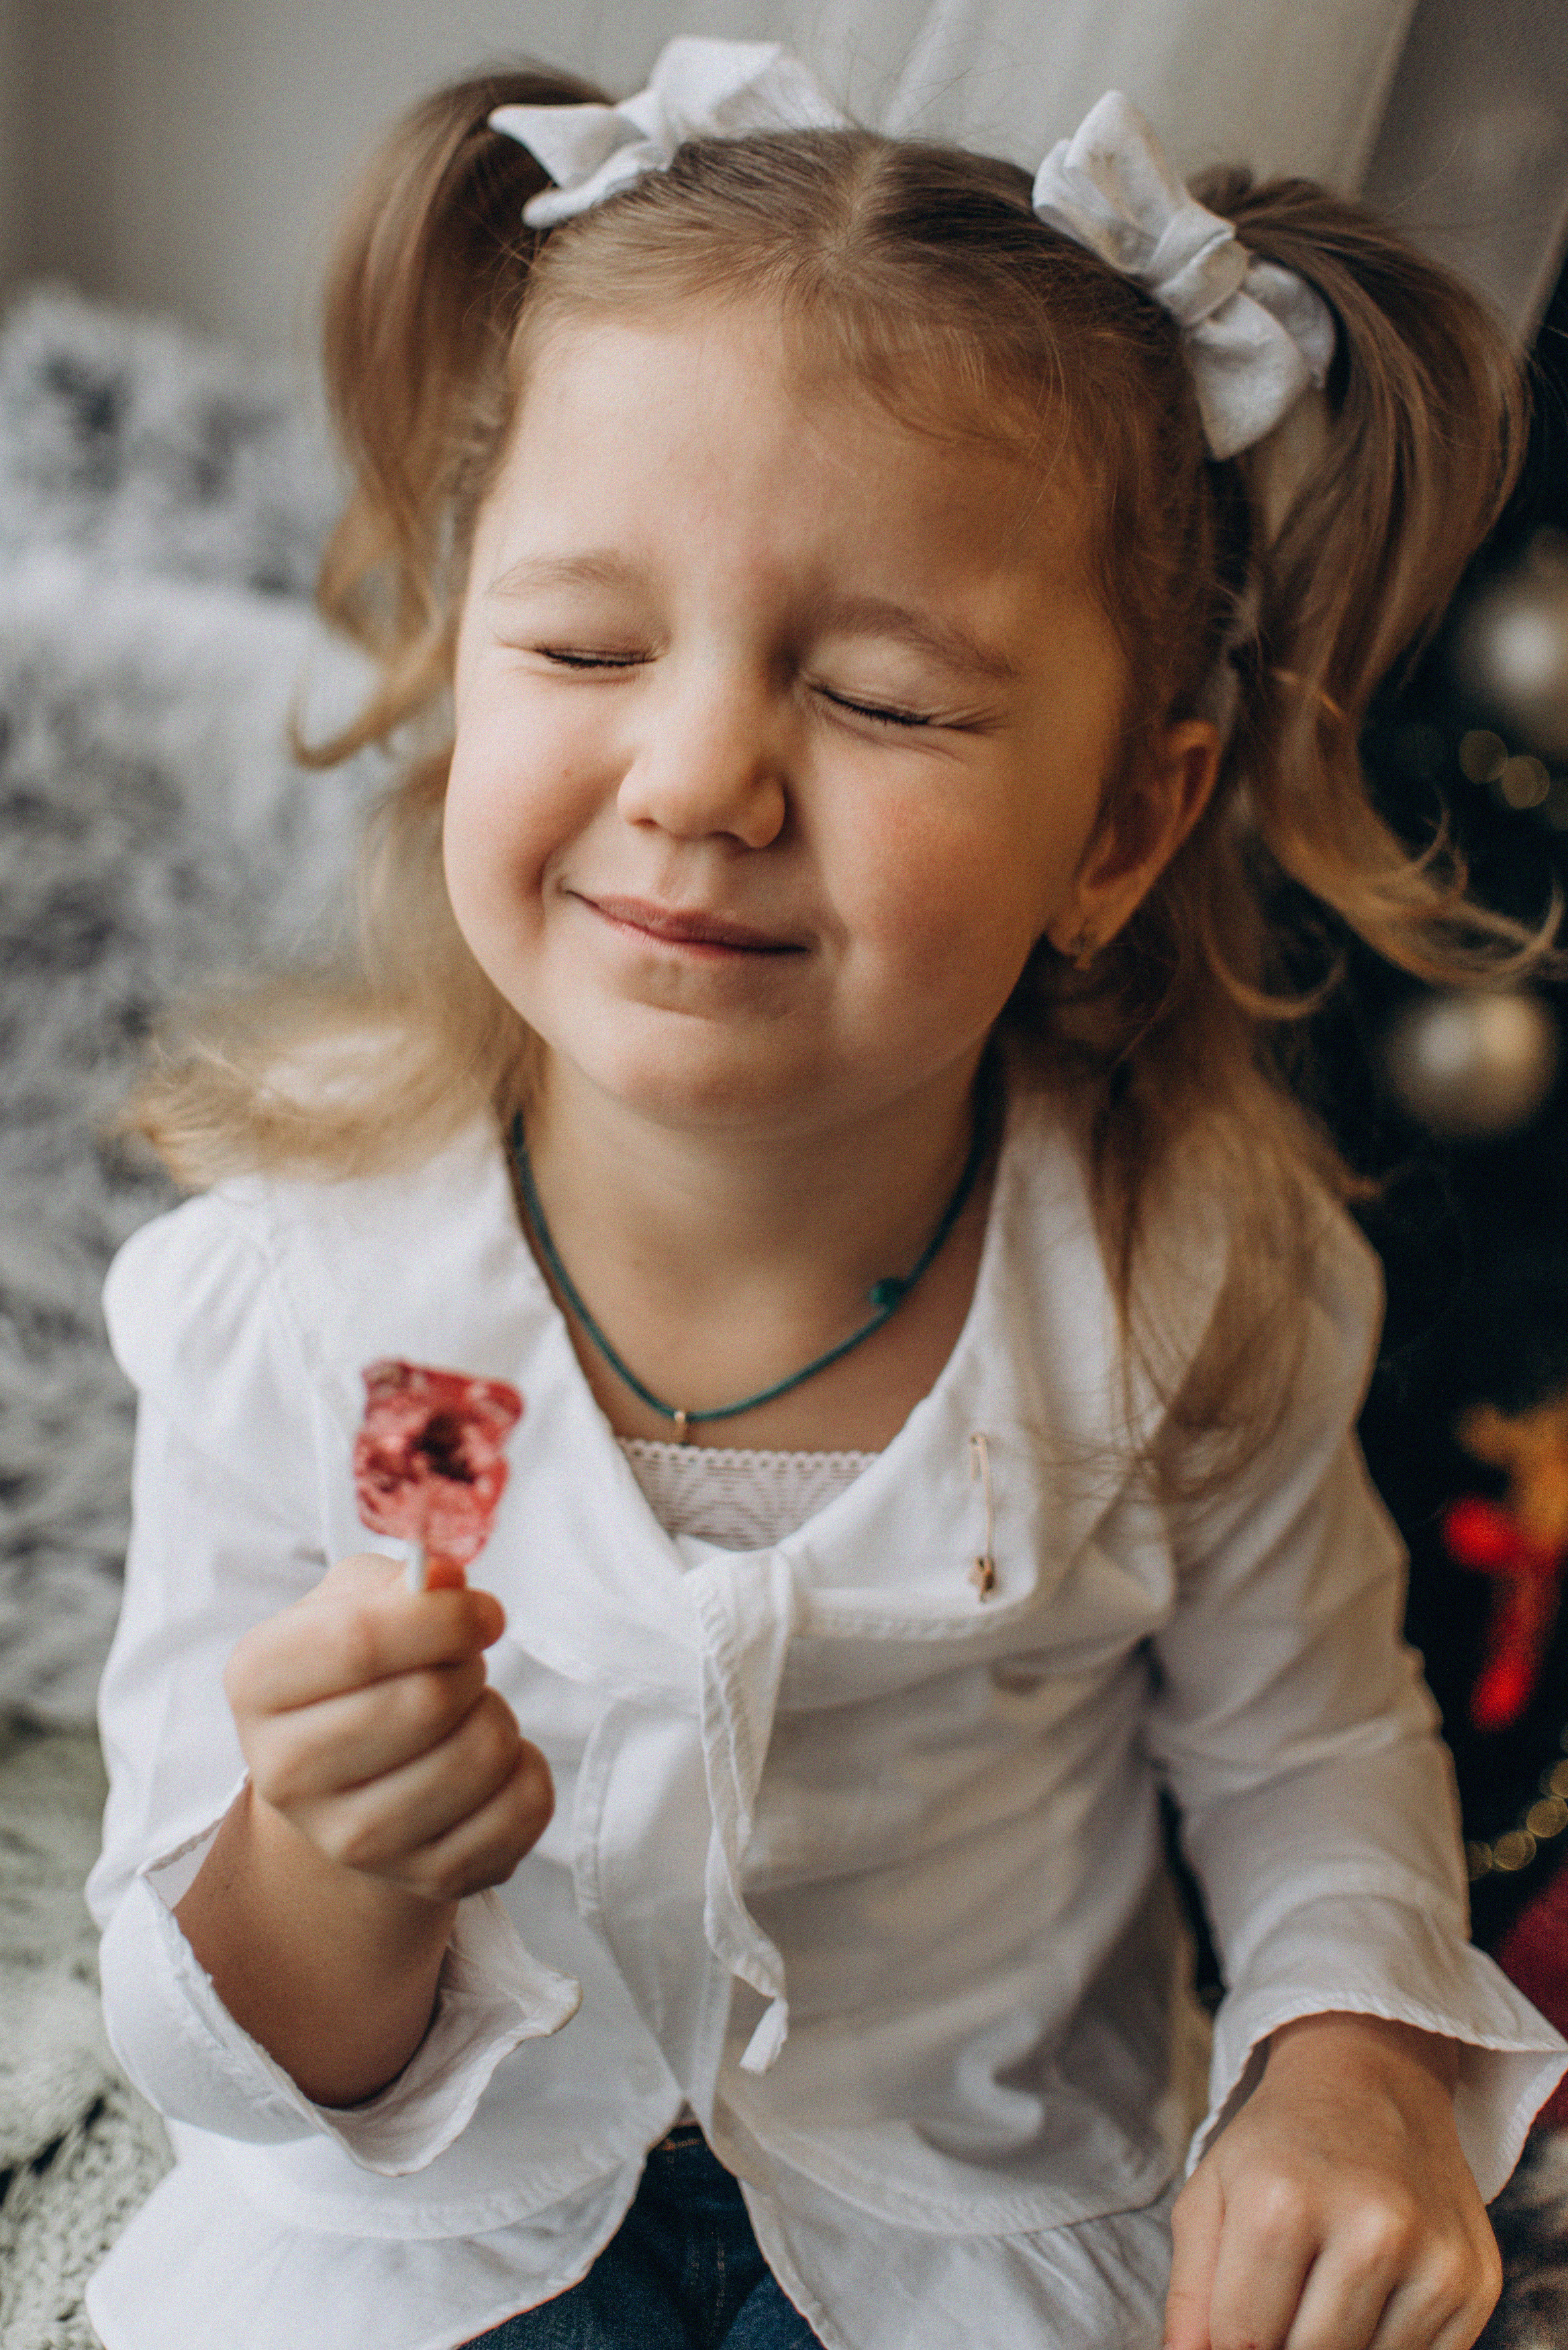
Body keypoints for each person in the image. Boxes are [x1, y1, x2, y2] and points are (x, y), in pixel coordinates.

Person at [84, 38, 1568, 2350]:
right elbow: (220, 2034)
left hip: (965, 2245)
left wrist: (1347, 2070)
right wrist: (323, 1863)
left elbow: (1312, 1752)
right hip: (425, 2242)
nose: (695, 778)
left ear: (1122, 826)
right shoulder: (297, 1296)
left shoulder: (1187, 1285)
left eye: (881, 698)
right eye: (581, 647)